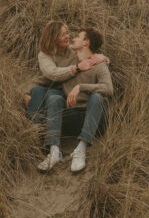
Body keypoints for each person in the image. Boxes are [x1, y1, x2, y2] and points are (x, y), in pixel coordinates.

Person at [26, 23, 112, 174]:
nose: (70, 38)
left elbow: (108, 89)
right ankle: (53, 150)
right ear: (54, 39)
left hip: (95, 119)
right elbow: (52, 75)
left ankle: (81, 149)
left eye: (75, 36)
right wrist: (29, 92)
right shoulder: (68, 63)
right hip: (71, 116)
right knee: (53, 96)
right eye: (63, 34)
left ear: (86, 42)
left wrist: (82, 87)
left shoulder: (97, 64)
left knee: (97, 97)